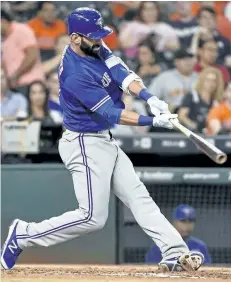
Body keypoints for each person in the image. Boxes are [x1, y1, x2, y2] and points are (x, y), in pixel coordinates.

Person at [1, 8, 204, 273]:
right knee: (92, 217)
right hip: (84, 143)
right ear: (75, 38)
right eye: (93, 37)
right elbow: (111, 113)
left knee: (138, 197)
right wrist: (152, 122)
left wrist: (149, 98)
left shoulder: (92, 46)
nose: (99, 40)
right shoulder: (75, 73)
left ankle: (175, 253)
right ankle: (23, 234)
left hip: (104, 140)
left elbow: (121, 72)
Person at [146, 204, 212, 264]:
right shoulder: (160, 246)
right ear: (174, 222)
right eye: (183, 221)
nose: (188, 225)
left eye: (191, 221)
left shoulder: (200, 246)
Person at [1, 9, 44, 95]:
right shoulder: (3, 38)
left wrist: (16, 74)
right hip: (14, 85)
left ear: (3, 21)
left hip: (30, 83)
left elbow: (32, 54)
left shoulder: (21, 30)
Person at [148, 49, 198, 113]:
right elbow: (150, 99)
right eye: (184, 59)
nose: (188, 62)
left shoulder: (199, 78)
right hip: (169, 115)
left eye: (190, 59)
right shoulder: (165, 77)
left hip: (193, 115)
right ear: (176, 62)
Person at [178, 67, 224, 133]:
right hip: (192, 134)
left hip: (210, 134)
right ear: (202, 81)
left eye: (214, 81)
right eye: (208, 80)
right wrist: (193, 126)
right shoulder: (192, 96)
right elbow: (182, 116)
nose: (210, 84)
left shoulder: (216, 102)